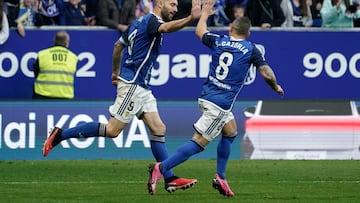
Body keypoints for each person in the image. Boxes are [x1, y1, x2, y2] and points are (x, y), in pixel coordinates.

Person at [43, 0, 202, 195]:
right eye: (172, 4)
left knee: (159, 128)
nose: (175, 9)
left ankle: (169, 178)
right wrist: (190, 18)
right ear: (160, 3)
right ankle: (60, 135)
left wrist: (114, 72)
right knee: (112, 130)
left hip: (141, 86)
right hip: (133, 85)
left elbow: (118, 45)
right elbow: (167, 28)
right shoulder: (152, 21)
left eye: (177, 6)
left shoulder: (136, 23)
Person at [148, 0, 284, 197]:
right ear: (248, 34)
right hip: (220, 104)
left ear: (230, 28)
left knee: (230, 132)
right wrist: (275, 86)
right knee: (198, 143)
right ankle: (161, 169)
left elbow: (199, 31)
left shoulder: (219, 40)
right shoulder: (250, 48)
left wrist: (204, 14)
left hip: (208, 96)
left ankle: (220, 176)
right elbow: (266, 73)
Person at [32, 31, 78, 99]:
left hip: (42, 95)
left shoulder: (42, 54)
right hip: (65, 97)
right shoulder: (73, 57)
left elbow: (36, 73)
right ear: (67, 43)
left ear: (54, 41)